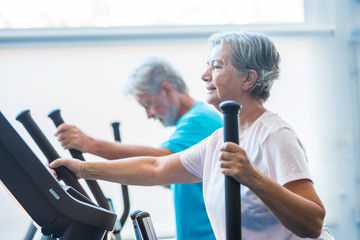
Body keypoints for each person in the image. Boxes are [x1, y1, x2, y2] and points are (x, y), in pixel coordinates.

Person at [50, 31, 334, 240]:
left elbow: (312, 222)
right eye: (208, 65)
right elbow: (156, 167)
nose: (204, 75)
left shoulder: (274, 135)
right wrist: (82, 169)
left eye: (217, 66)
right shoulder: (220, 139)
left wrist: (253, 177)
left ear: (248, 79)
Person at [54, 57, 222, 240]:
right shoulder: (193, 122)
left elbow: (159, 163)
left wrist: (89, 145)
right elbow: (175, 176)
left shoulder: (199, 119)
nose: (149, 115)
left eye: (148, 104)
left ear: (167, 89)